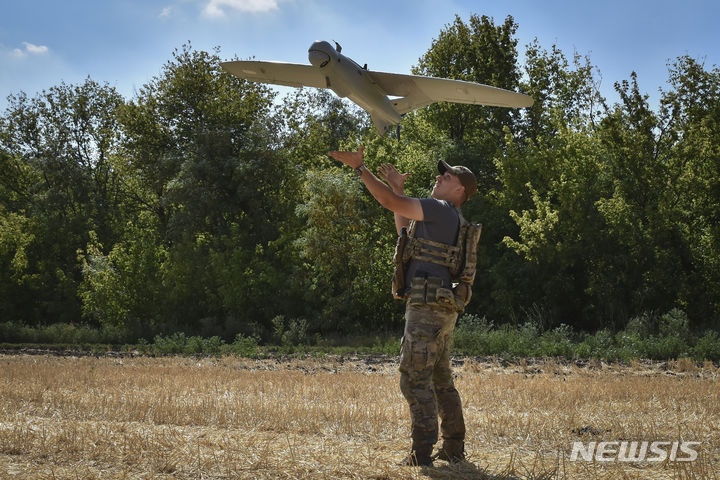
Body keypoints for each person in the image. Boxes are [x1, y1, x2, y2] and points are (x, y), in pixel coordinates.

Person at [328, 146, 478, 467]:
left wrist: (360, 169)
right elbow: (403, 232)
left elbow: (388, 203)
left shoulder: (439, 208)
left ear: (459, 189)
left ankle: (420, 454)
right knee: (440, 380)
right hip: (440, 306)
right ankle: (454, 448)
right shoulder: (449, 216)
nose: (439, 176)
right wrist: (398, 189)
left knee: (413, 378)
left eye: (447, 175)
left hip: (426, 307)